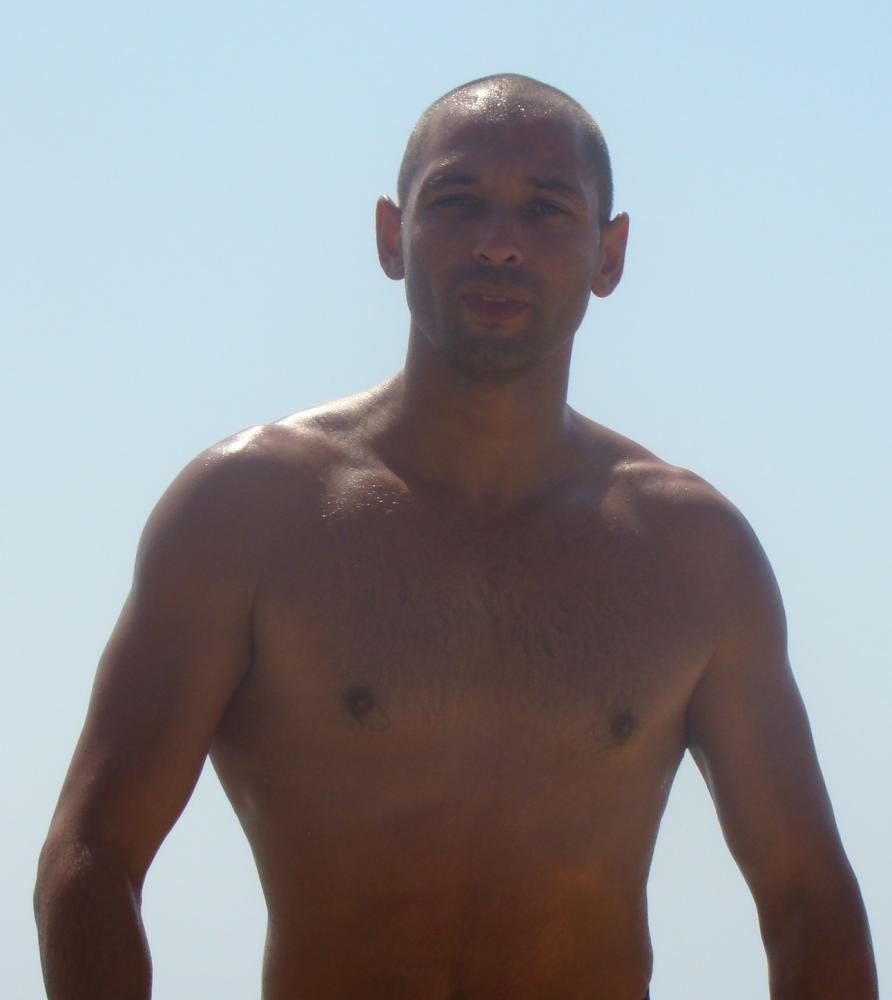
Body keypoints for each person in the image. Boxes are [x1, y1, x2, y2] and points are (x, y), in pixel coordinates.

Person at [35, 73, 877, 1000]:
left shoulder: (693, 553)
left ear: (609, 254)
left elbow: (808, 900)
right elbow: (93, 855)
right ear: (391, 236)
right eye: (457, 201)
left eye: (546, 209)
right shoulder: (248, 512)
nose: (498, 242)